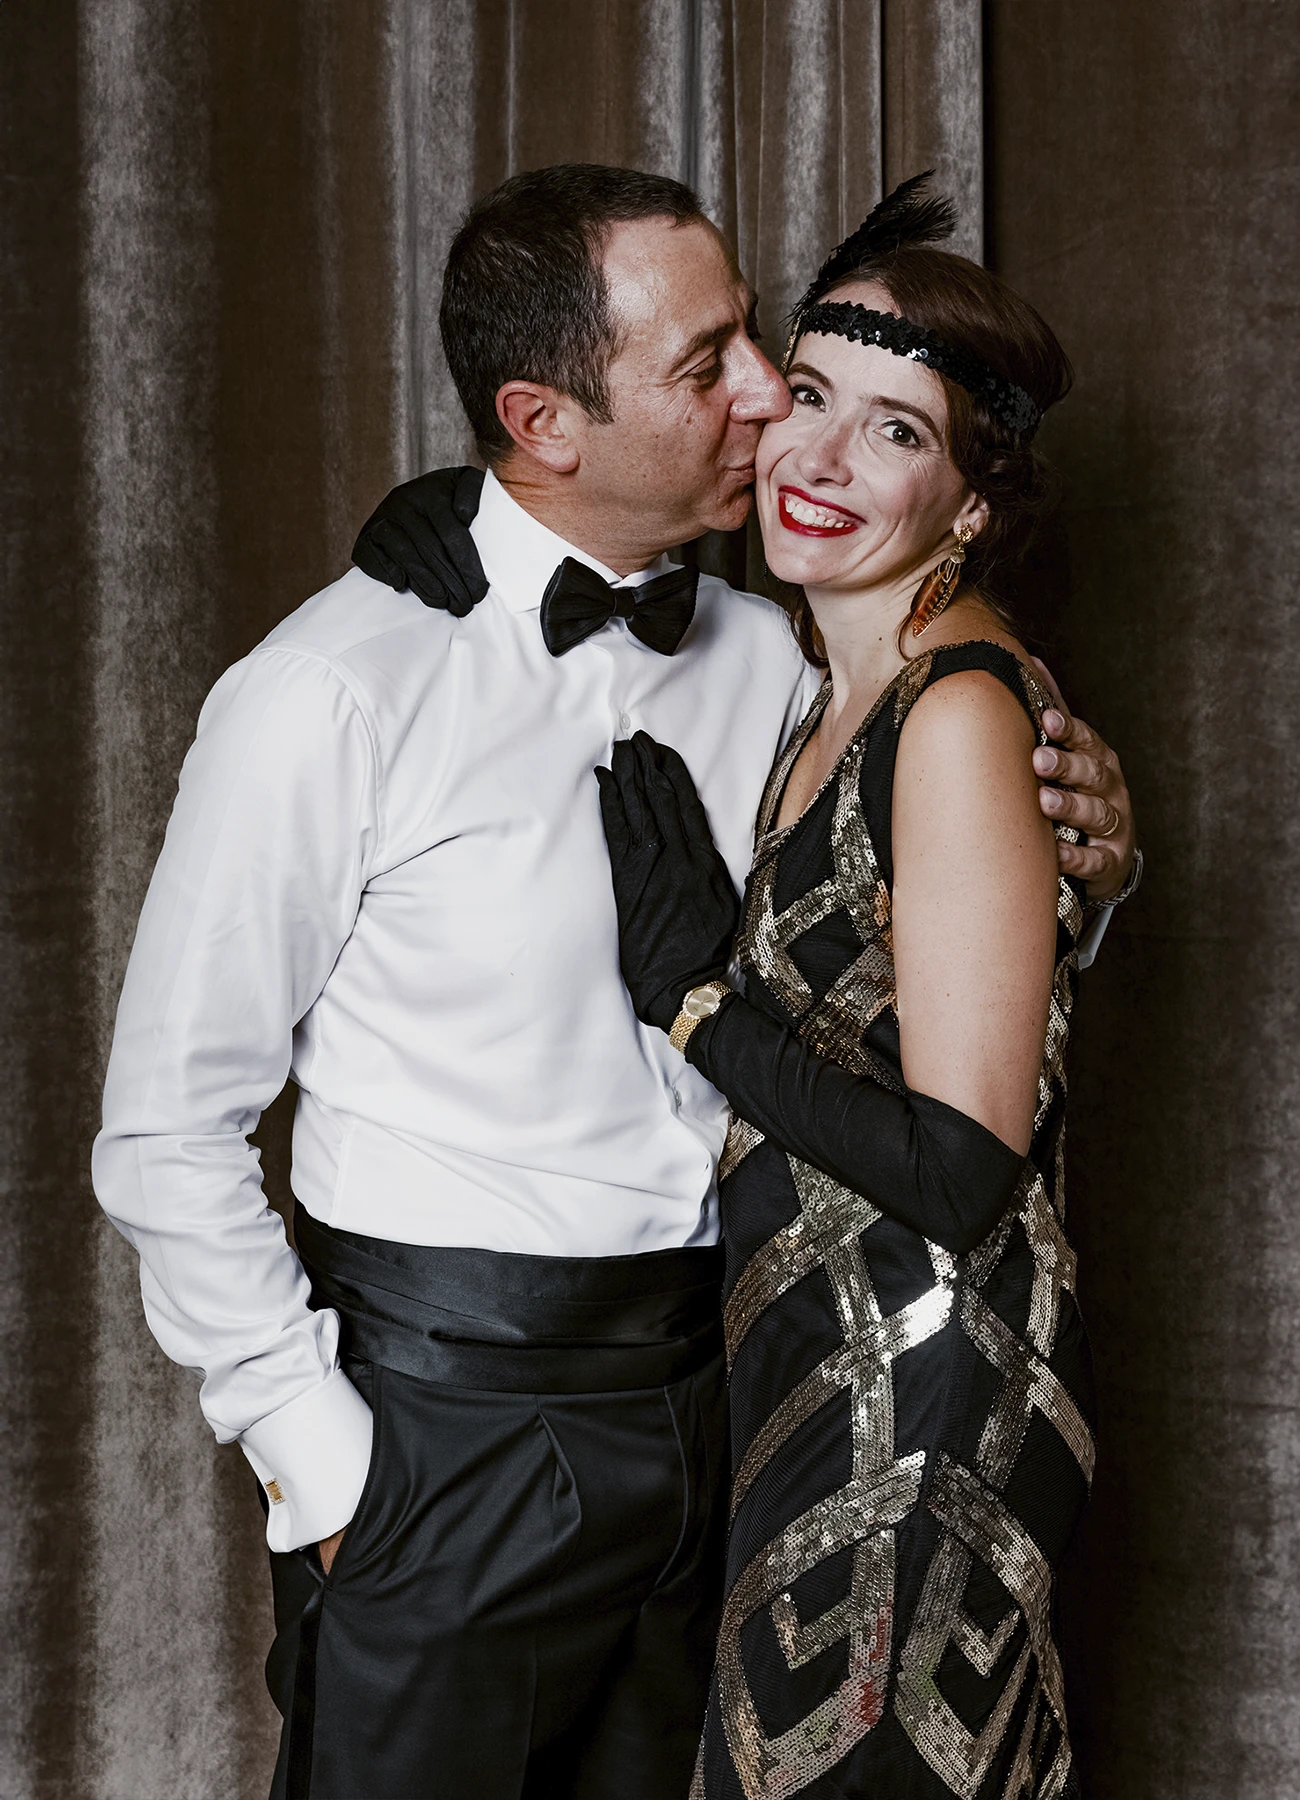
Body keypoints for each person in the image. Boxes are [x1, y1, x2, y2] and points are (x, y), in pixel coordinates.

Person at [92, 164, 1135, 1800]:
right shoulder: (333, 690)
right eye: (717, 365)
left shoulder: (782, 655)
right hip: (452, 1434)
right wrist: (334, 1471)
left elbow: (915, 927)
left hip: (738, 1408)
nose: (764, 410)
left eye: (762, 357)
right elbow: (163, 1133)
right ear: (543, 420)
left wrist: (1097, 862)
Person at [591, 176, 1097, 1796]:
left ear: (966, 503)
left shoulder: (954, 714)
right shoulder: (830, 693)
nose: (816, 458)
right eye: (811, 397)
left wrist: (693, 1001)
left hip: (931, 1385)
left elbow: (961, 1163)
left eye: (898, 431)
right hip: (819, 1364)